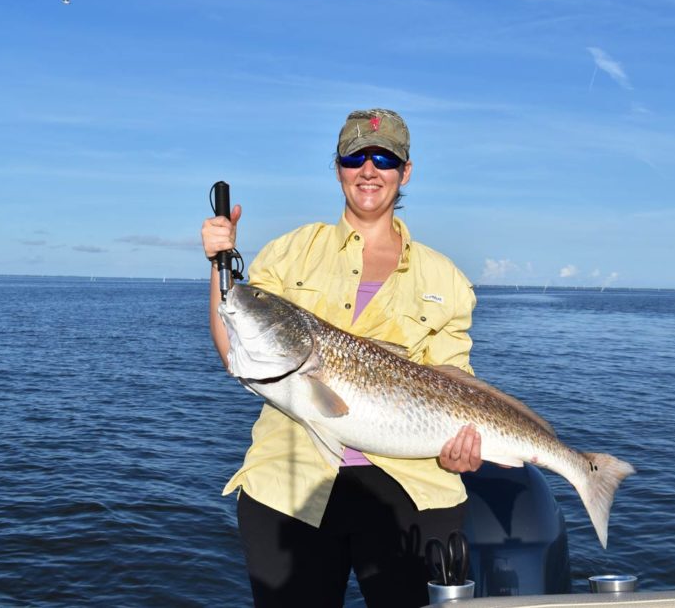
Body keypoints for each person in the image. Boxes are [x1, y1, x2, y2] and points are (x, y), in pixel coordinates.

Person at [202, 108, 482, 608]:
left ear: (406, 172)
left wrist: (460, 448)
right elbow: (234, 350)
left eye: (385, 158)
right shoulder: (289, 253)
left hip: (414, 488)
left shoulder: (447, 280)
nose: (369, 169)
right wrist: (218, 266)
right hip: (290, 486)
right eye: (355, 156)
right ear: (337, 168)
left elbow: (454, 380)